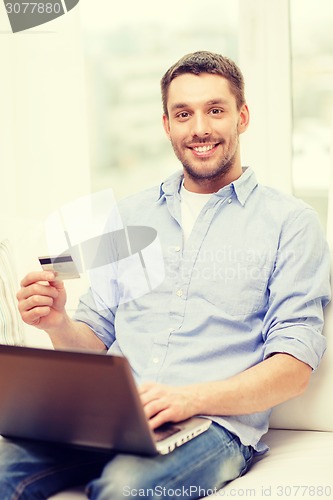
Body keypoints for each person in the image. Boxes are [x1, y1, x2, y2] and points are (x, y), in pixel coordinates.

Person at [2, 51, 330, 499]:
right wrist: (58, 322)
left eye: (215, 110)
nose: (200, 128)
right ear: (166, 125)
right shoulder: (130, 214)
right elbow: (95, 334)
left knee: (123, 489)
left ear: (242, 117)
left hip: (212, 425)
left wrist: (190, 399)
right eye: (183, 114)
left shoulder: (291, 223)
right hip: (108, 417)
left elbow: (293, 370)